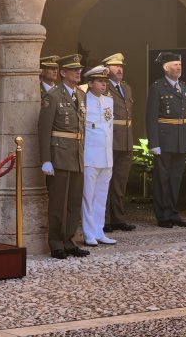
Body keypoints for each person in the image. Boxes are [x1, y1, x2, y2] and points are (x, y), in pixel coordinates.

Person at [38, 53, 90, 259]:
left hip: (76, 154)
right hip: (59, 154)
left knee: (75, 201)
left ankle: (69, 240)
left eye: (79, 69)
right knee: (59, 202)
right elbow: (44, 130)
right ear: (62, 73)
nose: (78, 72)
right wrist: (46, 159)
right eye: (74, 69)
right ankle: (56, 243)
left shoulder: (81, 95)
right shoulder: (53, 96)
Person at [146, 51, 186, 228]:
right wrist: (154, 143)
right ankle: (163, 215)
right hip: (164, 140)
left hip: (181, 139)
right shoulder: (157, 87)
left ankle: (174, 213)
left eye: (180, 64)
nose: (179, 67)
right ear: (166, 68)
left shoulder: (185, 88)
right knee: (162, 179)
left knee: (176, 178)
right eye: (175, 64)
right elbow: (151, 117)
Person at [102, 52, 137, 233]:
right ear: (107, 69)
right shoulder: (104, 88)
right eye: (116, 66)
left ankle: (118, 218)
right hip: (110, 139)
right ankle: (105, 219)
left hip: (125, 140)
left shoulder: (126, 87)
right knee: (106, 181)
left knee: (120, 182)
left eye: (121, 66)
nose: (119, 69)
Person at [82, 65, 116, 246]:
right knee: (88, 196)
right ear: (90, 83)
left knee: (101, 195)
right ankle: (88, 233)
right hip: (90, 154)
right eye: (100, 82)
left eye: (105, 81)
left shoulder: (109, 101)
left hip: (106, 154)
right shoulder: (83, 100)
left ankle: (98, 230)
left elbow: (109, 128)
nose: (104, 85)